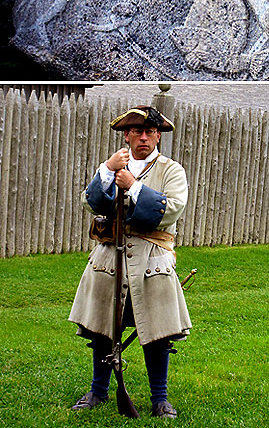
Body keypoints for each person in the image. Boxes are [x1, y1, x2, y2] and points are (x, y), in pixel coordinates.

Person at [69, 105, 191, 418]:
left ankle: (159, 400)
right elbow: (91, 202)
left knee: (157, 332)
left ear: (158, 137)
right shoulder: (112, 166)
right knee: (101, 328)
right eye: (137, 131)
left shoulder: (172, 171)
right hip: (108, 259)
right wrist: (108, 171)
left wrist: (133, 186)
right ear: (127, 134)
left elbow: (172, 209)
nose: (144, 138)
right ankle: (98, 391)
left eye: (150, 132)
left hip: (153, 260)